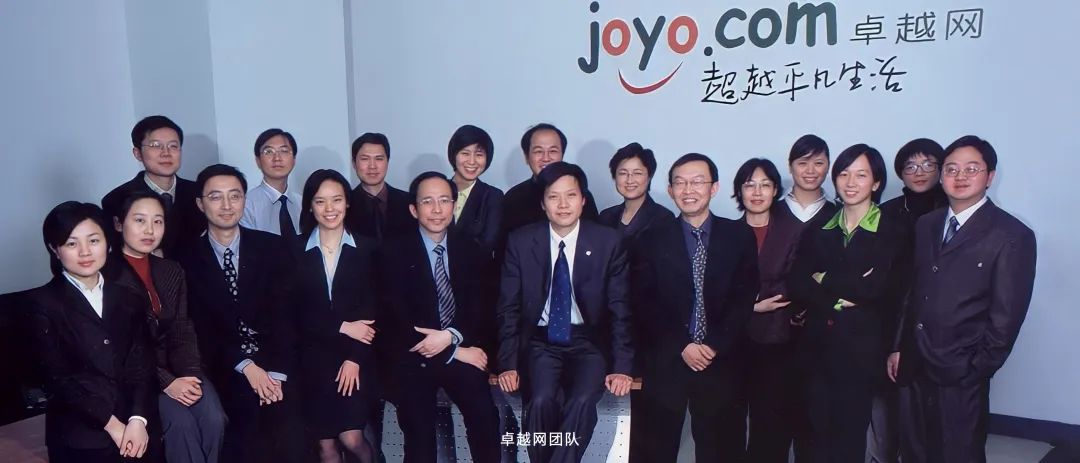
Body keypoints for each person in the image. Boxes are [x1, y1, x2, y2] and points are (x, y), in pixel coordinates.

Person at [890, 136, 1037, 463]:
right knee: (914, 451)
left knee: (958, 453)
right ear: (942, 176)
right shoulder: (927, 224)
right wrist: (899, 345)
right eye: (951, 169)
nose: (960, 176)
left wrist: (976, 369)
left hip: (961, 371)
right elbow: (912, 290)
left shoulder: (1011, 235)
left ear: (990, 176)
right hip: (914, 362)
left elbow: (1006, 318)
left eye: (971, 169)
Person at [496, 162, 633, 463]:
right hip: (540, 341)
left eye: (570, 195)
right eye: (553, 196)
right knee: (540, 400)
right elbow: (508, 308)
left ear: (583, 200)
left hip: (589, 341)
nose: (562, 204)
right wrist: (507, 363)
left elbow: (620, 308)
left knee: (581, 401)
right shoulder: (521, 241)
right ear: (542, 203)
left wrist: (622, 365)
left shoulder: (607, 242)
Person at [628, 153, 759, 463]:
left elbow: (744, 297)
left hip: (721, 359)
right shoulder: (649, 239)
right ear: (670, 190)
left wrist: (713, 344)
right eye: (680, 183)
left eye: (698, 182)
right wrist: (682, 344)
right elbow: (644, 301)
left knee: (722, 450)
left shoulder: (739, 236)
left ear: (714, 188)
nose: (688, 190)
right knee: (653, 451)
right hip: (667, 358)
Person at [787, 144, 910, 463]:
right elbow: (797, 282)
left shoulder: (894, 230)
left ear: (877, 182)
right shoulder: (820, 227)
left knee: (849, 434)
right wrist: (842, 294)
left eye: (861, 175)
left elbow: (880, 288)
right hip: (816, 345)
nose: (851, 182)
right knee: (812, 432)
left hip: (862, 349)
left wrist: (823, 278)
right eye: (843, 174)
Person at [177, 164, 304, 463]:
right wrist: (247, 366)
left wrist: (275, 373)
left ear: (244, 200)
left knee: (292, 433)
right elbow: (199, 327)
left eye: (234, 196)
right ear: (200, 203)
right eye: (216, 197)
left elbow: (287, 316)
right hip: (226, 363)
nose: (226, 205)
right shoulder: (185, 257)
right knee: (246, 431)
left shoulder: (272, 247)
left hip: (277, 361)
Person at [379, 172, 501, 463]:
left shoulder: (471, 249)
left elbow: (479, 307)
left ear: (454, 206)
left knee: (485, 418)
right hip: (415, 355)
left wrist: (451, 337)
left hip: (459, 347)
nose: (437, 209)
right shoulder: (391, 253)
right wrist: (455, 351)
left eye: (444, 201)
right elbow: (394, 318)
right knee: (420, 435)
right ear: (413, 209)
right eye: (428, 202)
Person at [27, 201, 154, 462]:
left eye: (94, 241)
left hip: (136, 426)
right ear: (55, 249)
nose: (85, 252)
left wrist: (137, 418)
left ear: (108, 243)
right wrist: (113, 425)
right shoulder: (42, 303)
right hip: (80, 435)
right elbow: (57, 379)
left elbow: (140, 361)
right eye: (71, 243)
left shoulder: (129, 297)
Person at [109, 191, 226, 463]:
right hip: (138, 378)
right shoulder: (107, 275)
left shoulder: (171, 270)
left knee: (213, 418)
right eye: (140, 220)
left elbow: (182, 329)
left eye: (158, 221)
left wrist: (190, 375)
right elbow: (122, 349)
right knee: (180, 424)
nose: (150, 230)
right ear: (118, 223)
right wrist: (168, 382)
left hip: (178, 368)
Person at [291, 169, 379, 463]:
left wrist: (355, 359)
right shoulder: (293, 249)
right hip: (311, 362)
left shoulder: (369, 248)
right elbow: (293, 311)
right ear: (310, 206)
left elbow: (374, 314)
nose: (329, 208)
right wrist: (341, 326)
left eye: (337, 200)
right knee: (326, 448)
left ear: (348, 202)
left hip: (356, 358)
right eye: (320, 201)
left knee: (352, 439)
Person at [870, 138, 947, 463]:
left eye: (928, 164)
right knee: (888, 397)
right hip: (889, 315)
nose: (919, 172)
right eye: (911, 166)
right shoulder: (885, 212)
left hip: (935, 318)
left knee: (929, 408)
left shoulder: (952, 210)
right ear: (900, 172)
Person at [729, 158, 807, 463]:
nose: (757, 192)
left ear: (775, 190)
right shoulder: (726, 232)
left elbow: (794, 285)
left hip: (777, 339)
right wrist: (752, 305)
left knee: (770, 424)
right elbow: (715, 292)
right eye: (749, 185)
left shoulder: (794, 232)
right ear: (739, 191)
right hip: (731, 343)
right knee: (729, 423)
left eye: (765, 185)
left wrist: (747, 299)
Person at [102, 115, 206, 257]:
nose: (166, 153)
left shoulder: (199, 193)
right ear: (138, 153)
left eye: (173, 146)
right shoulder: (117, 199)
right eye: (156, 146)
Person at [500, 123, 599, 236]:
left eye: (553, 151)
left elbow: (595, 238)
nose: (546, 158)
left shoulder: (579, 194)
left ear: (562, 155)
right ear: (527, 157)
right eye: (538, 151)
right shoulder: (513, 197)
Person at [597, 142, 675, 243]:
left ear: (649, 177)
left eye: (637, 173)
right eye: (623, 173)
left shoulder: (663, 218)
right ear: (614, 177)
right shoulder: (605, 216)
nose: (630, 180)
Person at [346, 132, 416, 242]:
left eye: (379, 159)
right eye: (365, 159)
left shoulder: (408, 202)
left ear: (387, 162)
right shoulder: (345, 205)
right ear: (354, 163)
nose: (372, 166)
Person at [447, 124, 504, 254]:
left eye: (479, 154)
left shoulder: (493, 196)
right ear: (453, 155)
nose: (472, 161)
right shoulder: (438, 190)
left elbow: (488, 243)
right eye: (465, 153)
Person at [241, 128, 301, 236]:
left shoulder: (302, 203)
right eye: (268, 152)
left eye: (284, 151)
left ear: (294, 159)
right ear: (258, 161)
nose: (277, 158)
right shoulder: (246, 205)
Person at [775, 134, 838, 226]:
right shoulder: (770, 210)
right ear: (790, 167)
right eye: (802, 163)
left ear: (828, 166)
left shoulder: (841, 213)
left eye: (818, 163)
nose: (810, 171)